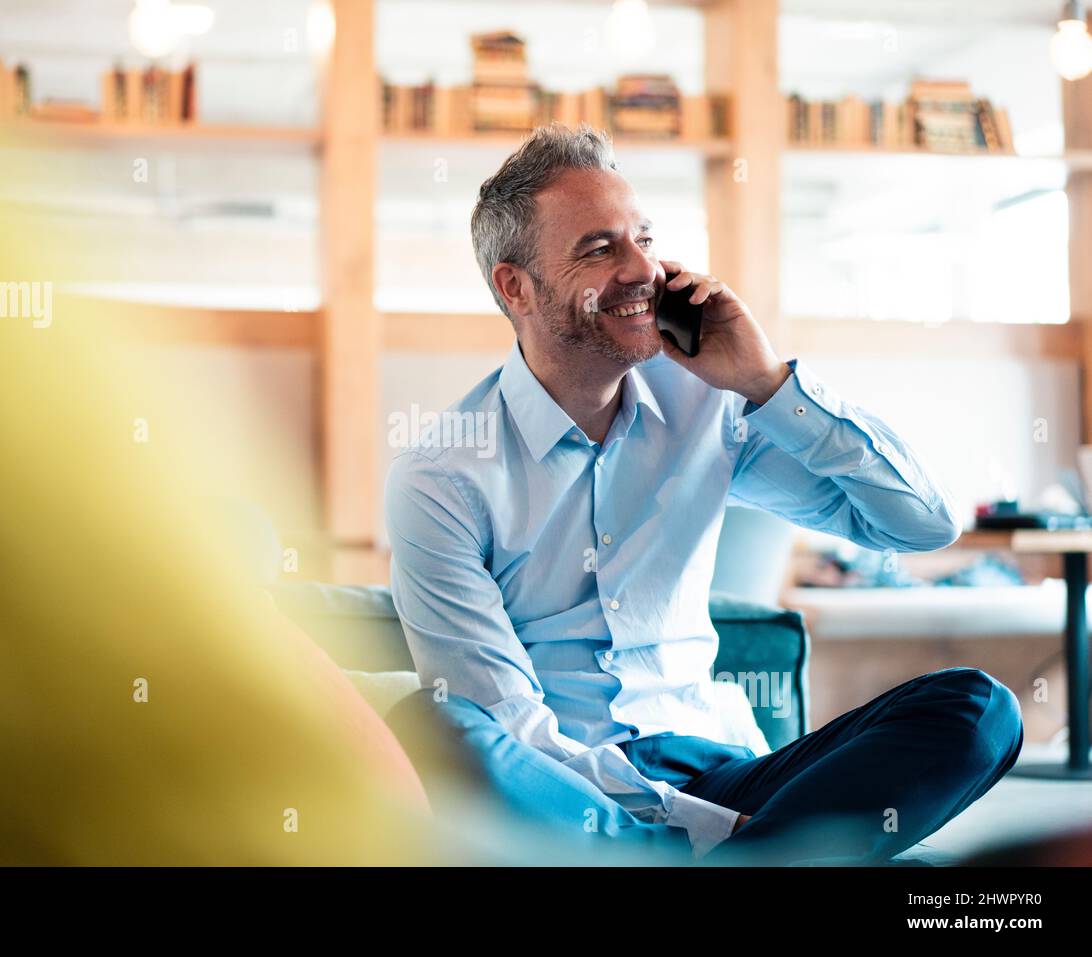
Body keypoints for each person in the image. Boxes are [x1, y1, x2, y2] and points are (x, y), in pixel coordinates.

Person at [384, 124, 1023, 865]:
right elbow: (509, 723)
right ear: (515, 286)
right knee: (440, 728)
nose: (643, 270)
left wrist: (768, 383)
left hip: (725, 774)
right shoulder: (440, 476)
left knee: (980, 710)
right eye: (599, 249)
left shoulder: (708, 404)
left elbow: (922, 524)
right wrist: (704, 829)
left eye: (644, 239)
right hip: (565, 793)